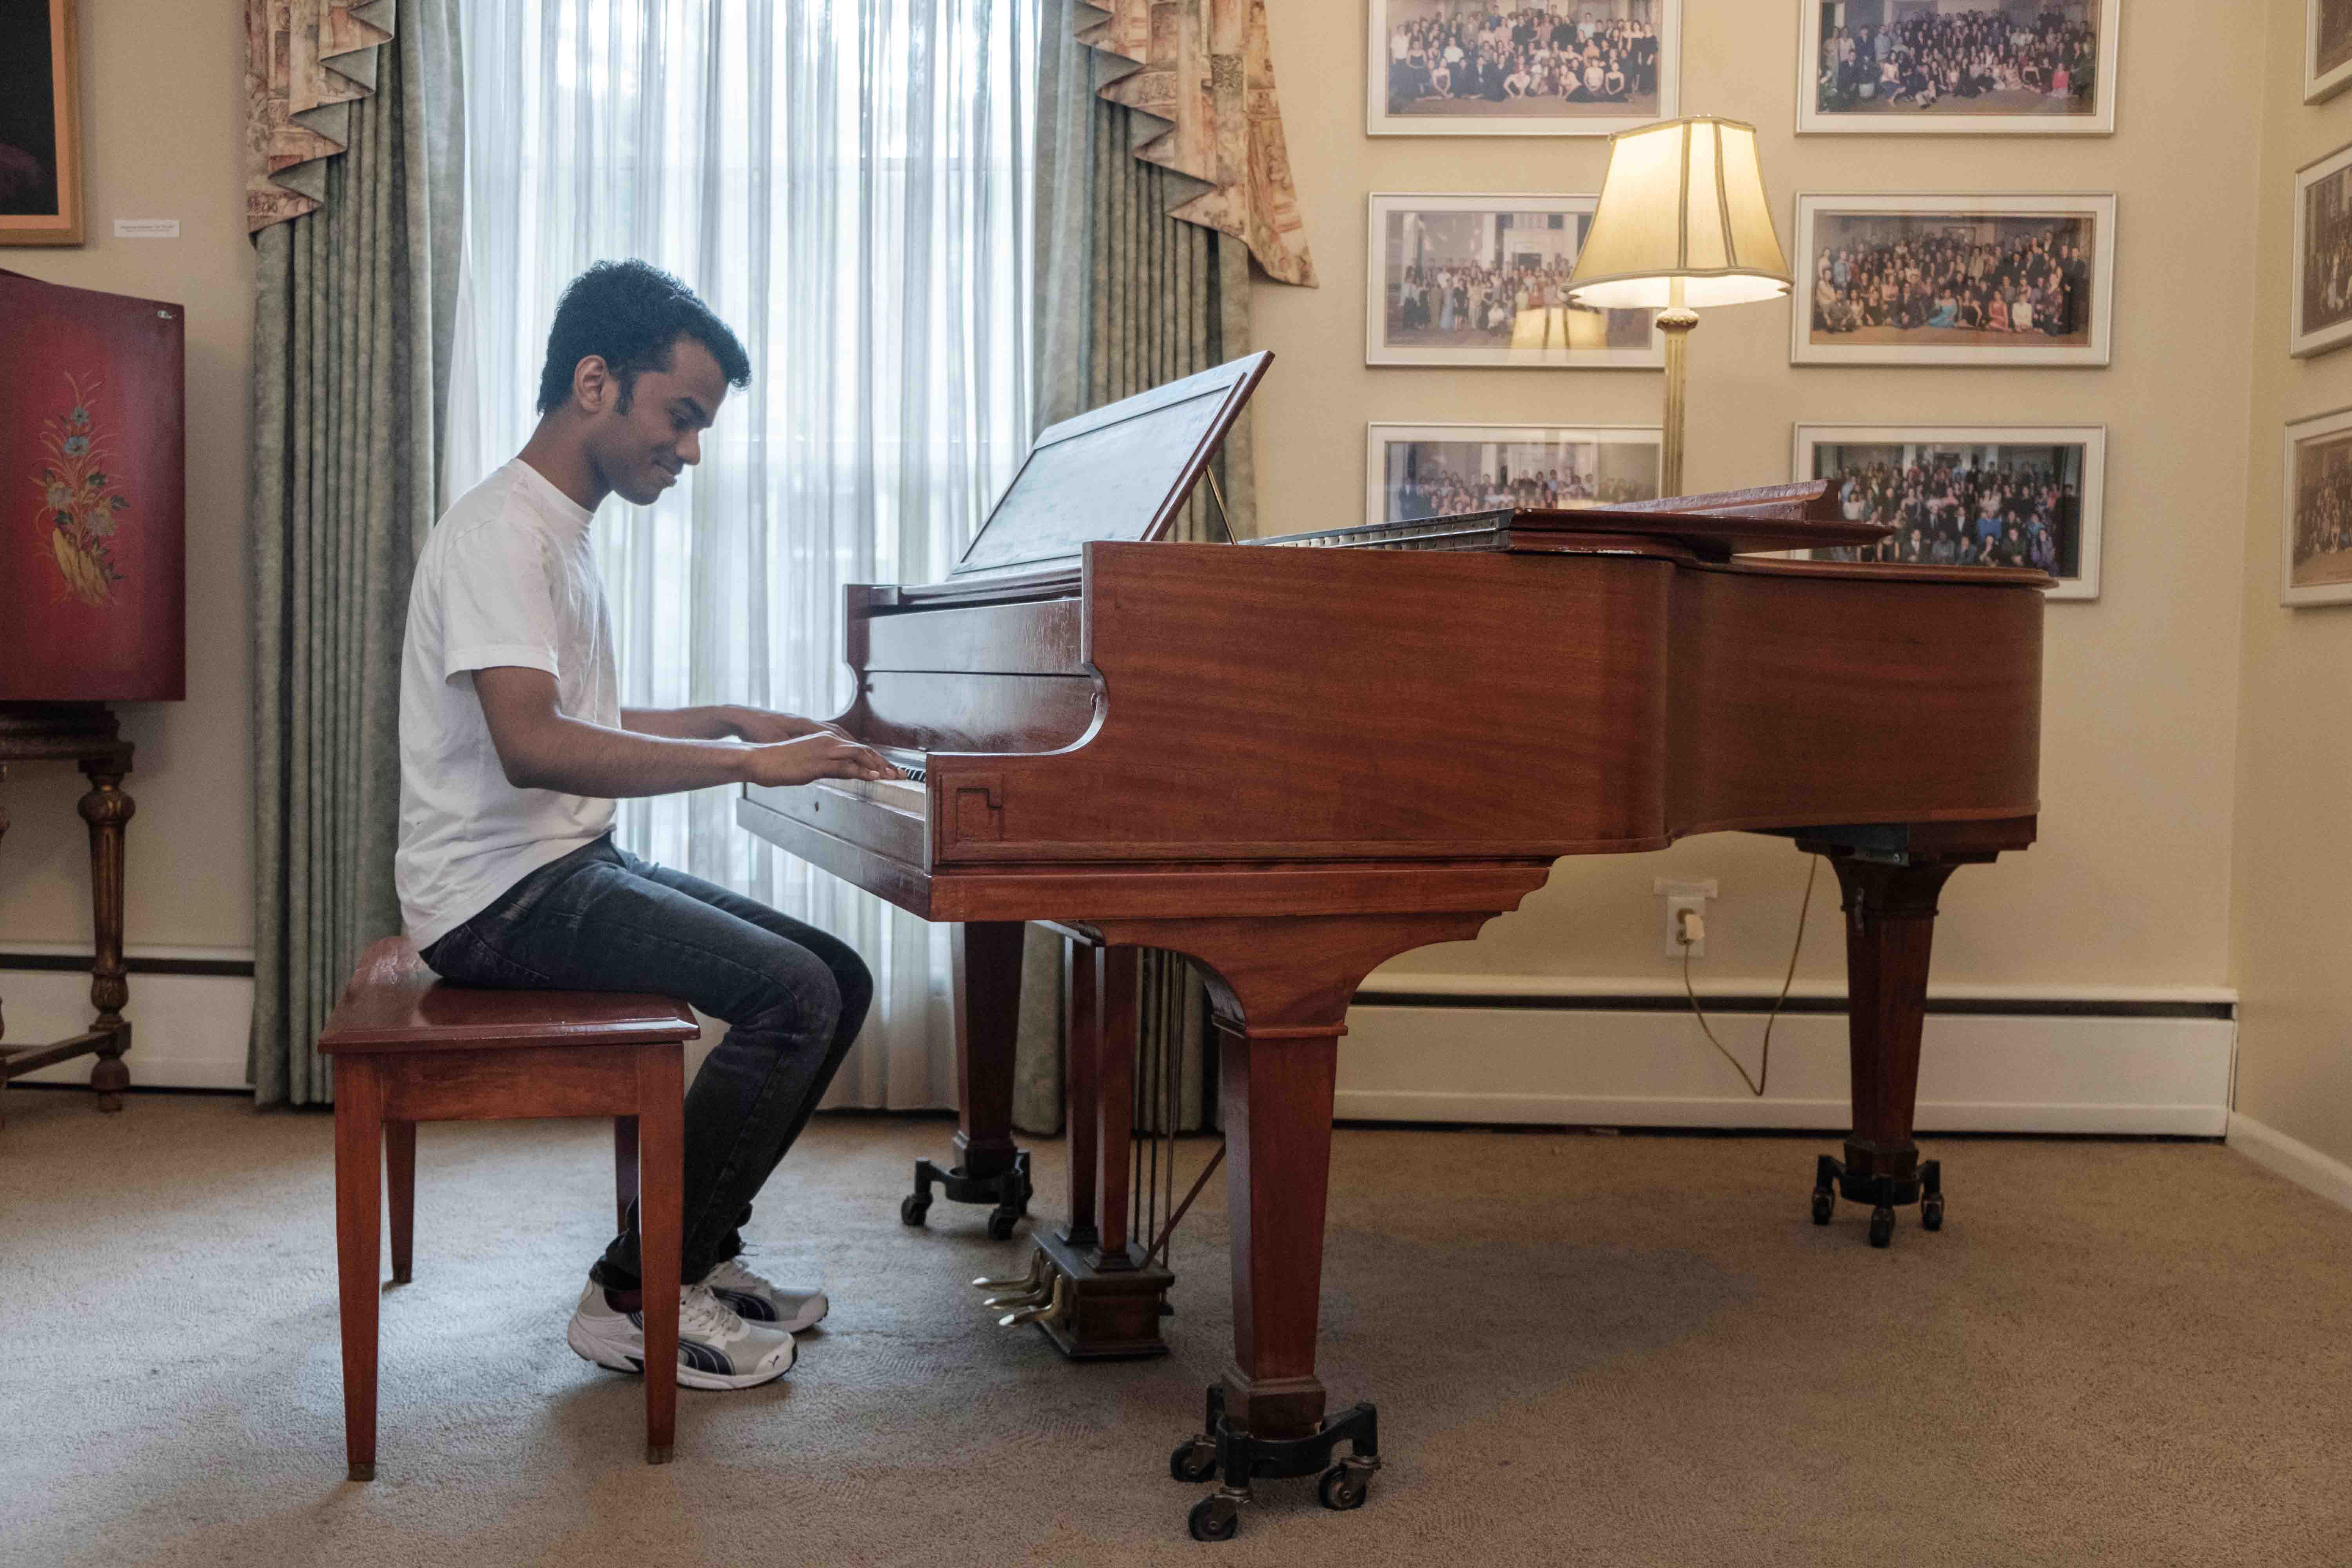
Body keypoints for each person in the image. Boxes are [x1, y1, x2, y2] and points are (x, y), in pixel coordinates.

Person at [396, 260, 904, 1391]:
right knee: (796, 998)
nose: (691, 449)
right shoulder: (502, 535)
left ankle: (697, 1253)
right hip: (493, 900)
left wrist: (727, 713)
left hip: (556, 866)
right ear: (594, 382)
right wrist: (744, 761)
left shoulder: (553, 532)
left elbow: (581, 717)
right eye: (680, 416)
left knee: (840, 974)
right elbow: (535, 744)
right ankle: (631, 1294)